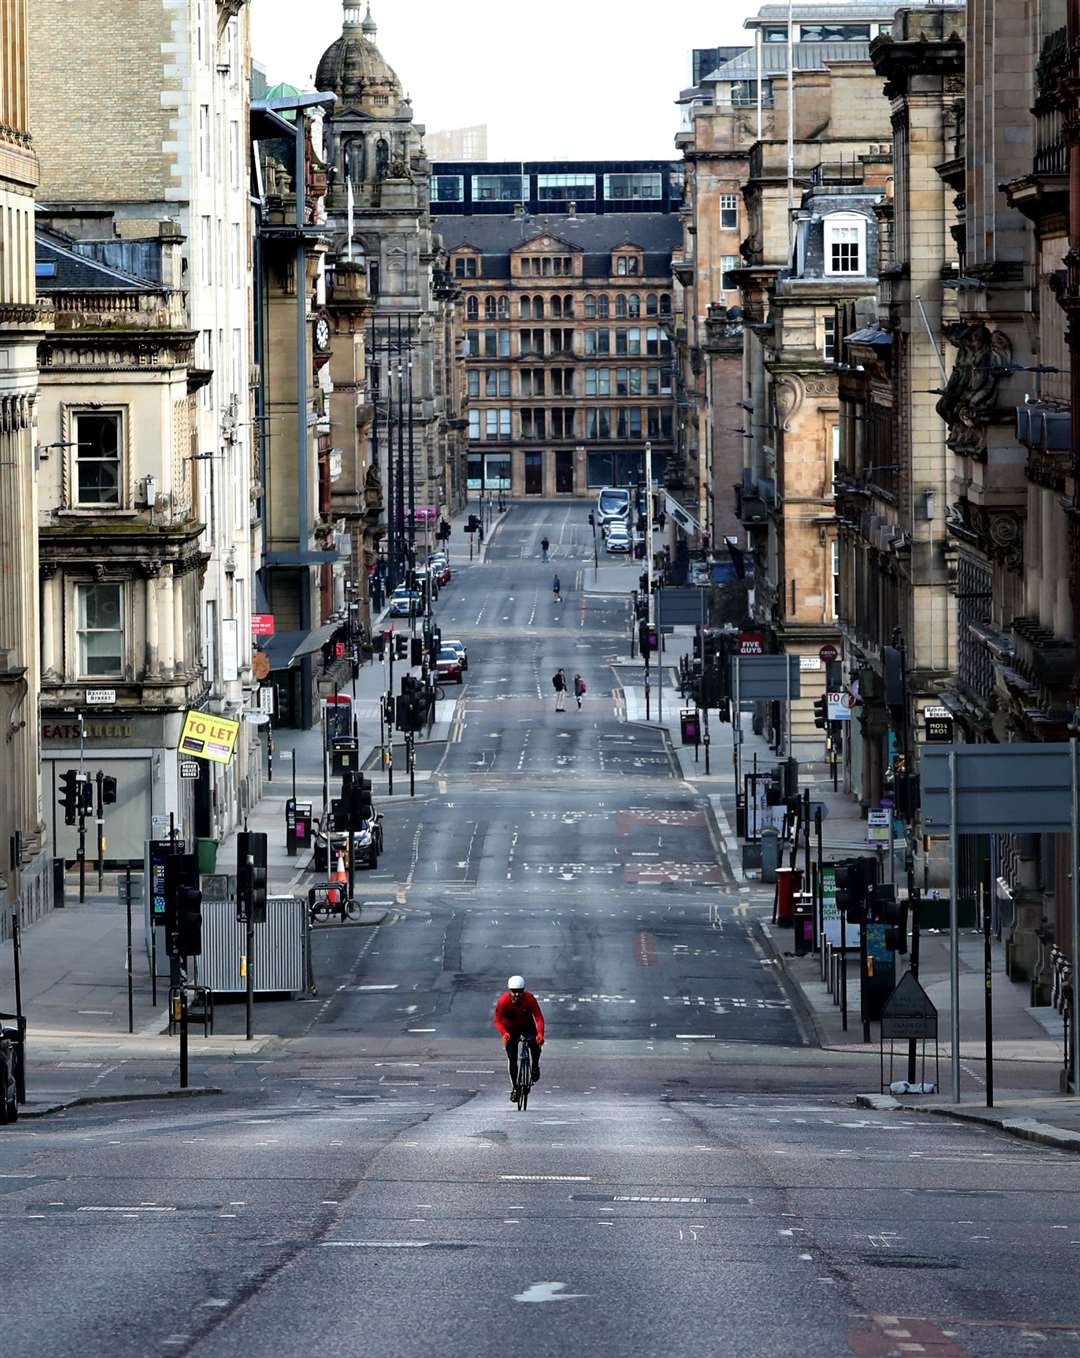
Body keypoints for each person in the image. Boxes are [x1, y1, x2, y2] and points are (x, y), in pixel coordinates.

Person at [493, 974, 545, 1099]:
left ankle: (535, 1066)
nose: (517, 995)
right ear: (509, 991)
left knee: (534, 1043)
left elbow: (538, 1017)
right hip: (511, 1028)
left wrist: (540, 1034)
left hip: (527, 1026)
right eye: (514, 992)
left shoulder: (530, 999)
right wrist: (504, 1033)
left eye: (520, 992)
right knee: (512, 1058)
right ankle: (515, 1088)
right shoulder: (503, 1001)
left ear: (524, 991)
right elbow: (498, 1021)